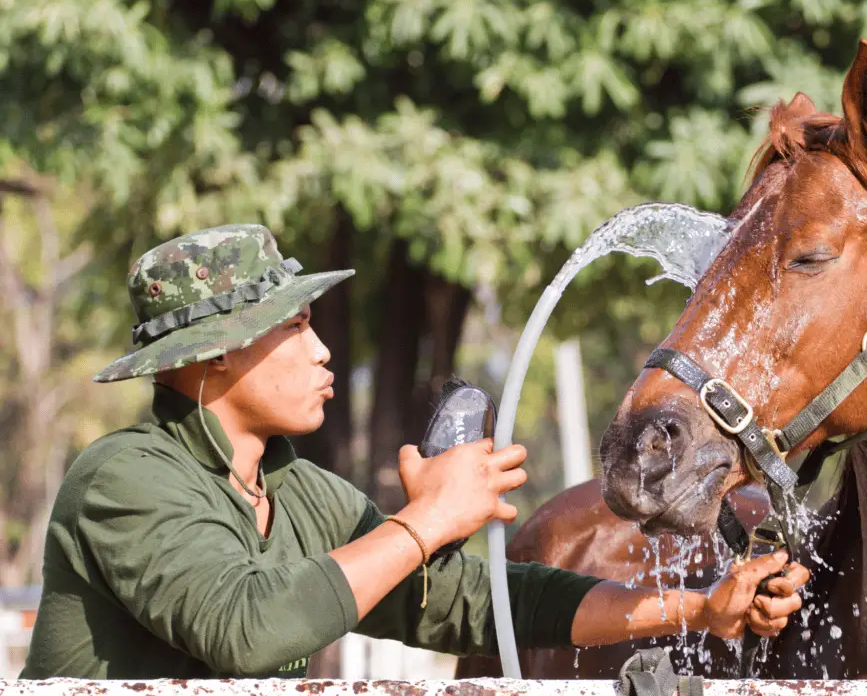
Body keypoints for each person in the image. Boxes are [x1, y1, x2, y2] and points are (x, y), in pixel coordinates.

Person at [21, 224, 809, 680]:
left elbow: (484, 604)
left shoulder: (300, 494)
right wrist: (425, 520)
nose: (324, 350)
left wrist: (701, 608)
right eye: (295, 327)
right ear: (215, 353)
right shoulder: (120, 478)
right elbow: (248, 628)